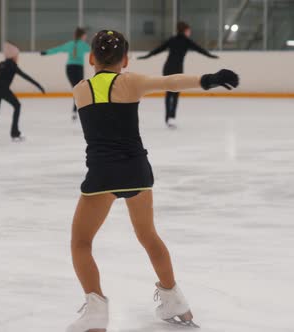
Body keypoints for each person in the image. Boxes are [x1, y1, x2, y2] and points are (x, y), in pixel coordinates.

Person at [66, 29, 239, 332]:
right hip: (137, 172)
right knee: (148, 236)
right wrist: (208, 79)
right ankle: (177, 303)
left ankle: (95, 312)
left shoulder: (81, 90)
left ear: (91, 58)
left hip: (102, 176)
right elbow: (171, 81)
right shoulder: (131, 82)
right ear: (126, 60)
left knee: (81, 243)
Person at [137, 21, 219, 128]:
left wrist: (147, 56)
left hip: (167, 68)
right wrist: (210, 55)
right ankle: (171, 117)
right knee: (175, 94)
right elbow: (200, 49)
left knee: (168, 93)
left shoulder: (172, 40)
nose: (190, 32)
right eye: (189, 30)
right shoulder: (187, 41)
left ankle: (167, 118)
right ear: (185, 30)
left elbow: (159, 49)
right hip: (177, 69)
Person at [0, 42, 45, 142]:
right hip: (2, 90)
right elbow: (26, 77)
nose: (18, 57)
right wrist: (39, 86)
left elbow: (1, 65)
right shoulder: (13, 66)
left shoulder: (3, 64)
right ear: (13, 56)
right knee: (17, 106)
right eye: (17, 55)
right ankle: (14, 132)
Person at [41, 28, 90, 120]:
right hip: (78, 68)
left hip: (70, 69)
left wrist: (46, 52)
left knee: (77, 90)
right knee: (79, 90)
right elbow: (94, 51)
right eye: (85, 35)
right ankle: (76, 111)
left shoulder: (71, 44)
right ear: (82, 35)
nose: (86, 37)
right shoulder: (83, 45)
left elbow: (58, 49)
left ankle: (76, 111)